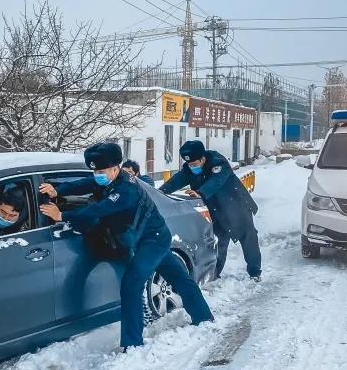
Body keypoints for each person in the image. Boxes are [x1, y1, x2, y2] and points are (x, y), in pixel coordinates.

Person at [39, 141, 215, 350]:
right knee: (179, 278)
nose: (98, 175)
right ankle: (203, 317)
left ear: (116, 168)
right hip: (143, 239)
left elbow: (99, 210)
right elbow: (86, 183)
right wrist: (58, 190)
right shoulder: (109, 179)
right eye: (95, 171)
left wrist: (62, 215)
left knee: (131, 285)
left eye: (102, 171)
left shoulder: (125, 190)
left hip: (152, 241)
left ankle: (132, 344)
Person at [159, 139, 262, 282]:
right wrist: (158, 193)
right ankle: (215, 274)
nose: (192, 167)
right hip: (215, 210)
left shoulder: (218, 163)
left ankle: (255, 272)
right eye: (189, 164)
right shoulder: (190, 169)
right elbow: (176, 181)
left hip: (237, 207)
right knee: (219, 242)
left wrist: (200, 193)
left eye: (195, 164)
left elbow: (216, 181)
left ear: (203, 158)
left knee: (248, 238)